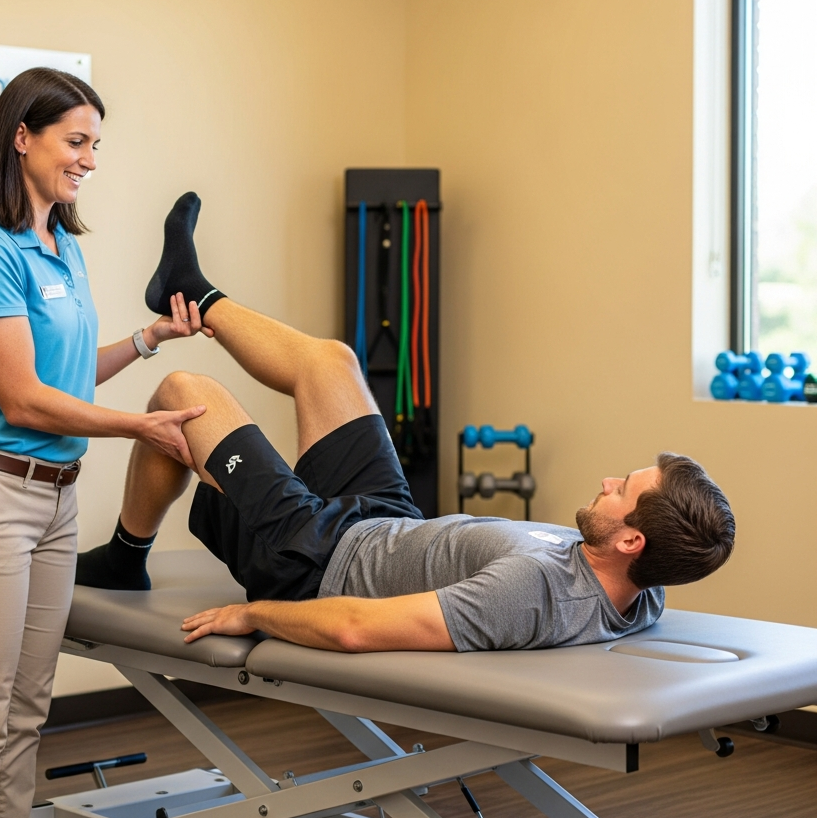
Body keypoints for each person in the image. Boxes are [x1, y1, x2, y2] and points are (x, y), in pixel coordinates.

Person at [76, 194, 736, 654]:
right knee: (332, 363)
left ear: (631, 541)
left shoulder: (533, 591)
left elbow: (354, 628)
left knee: (184, 394)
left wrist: (253, 614)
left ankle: (125, 558)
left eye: (624, 490)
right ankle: (192, 291)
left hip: (315, 562)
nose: (609, 481)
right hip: (386, 521)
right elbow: (688, 545)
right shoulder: (643, 592)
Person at [0, 70, 211, 818]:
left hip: (55, 500)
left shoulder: (62, 248)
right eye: (76, 141)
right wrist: (140, 428)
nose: (89, 160)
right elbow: (23, 400)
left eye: (95, 145)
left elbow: (65, 380)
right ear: (23, 137)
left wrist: (148, 339)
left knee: (25, 713)